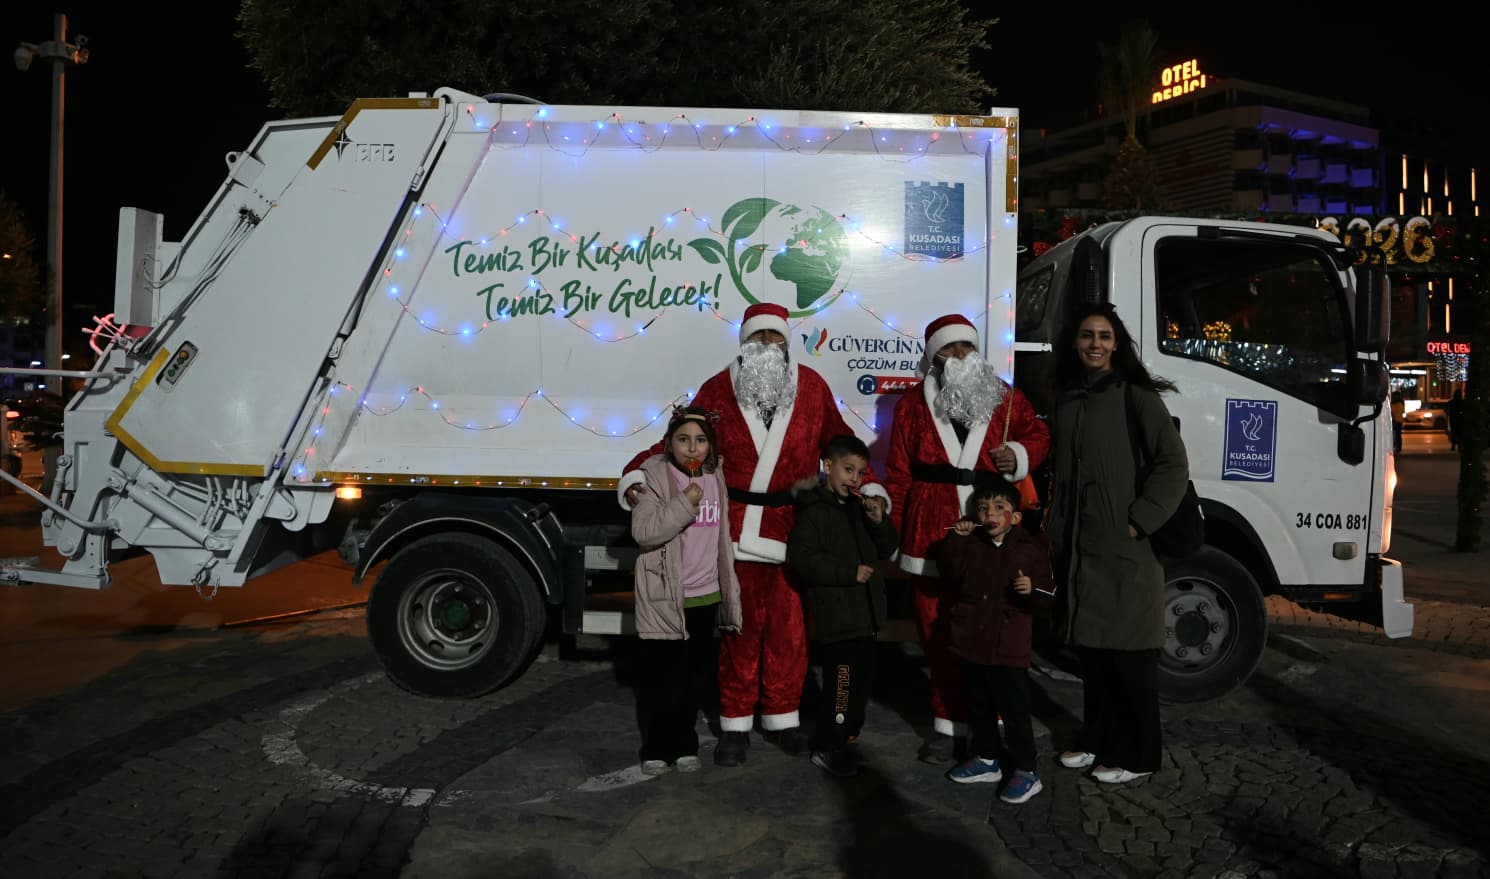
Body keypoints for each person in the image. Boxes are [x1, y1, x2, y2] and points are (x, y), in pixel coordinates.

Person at [618, 302, 890, 767]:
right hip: (736, 530)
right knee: (737, 632)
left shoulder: (812, 388)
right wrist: (636, 476)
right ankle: (735, 724)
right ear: (744, 343)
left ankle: (782, 718)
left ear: (787, 342)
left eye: (774, 336)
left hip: (793, 531)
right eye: (758, 337)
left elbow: (841, 444)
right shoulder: (718, 389)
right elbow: (679, 441)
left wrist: (869, 488)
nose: (767, 344)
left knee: (790, 633)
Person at [884, 313, 1050, 763]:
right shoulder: (912, 405)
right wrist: (895, 530)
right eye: (949, 347)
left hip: (990, 527)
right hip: (931, 531)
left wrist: (1019, 454)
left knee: (991, 630)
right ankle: (948, 723)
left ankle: (991, 724)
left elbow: (1039, 434)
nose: (959, 354)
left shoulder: (1005, 398)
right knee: (937, 632)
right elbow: (898, 472)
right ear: (933, 355)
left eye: (966, 346)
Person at [1045, 302, 1189, 785]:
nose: (1095, 344)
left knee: (1130, 656)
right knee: (1094, 654)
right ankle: (1097, 739)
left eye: (1105, 336)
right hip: (1080, 547)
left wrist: (1139, 520)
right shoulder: (1068, 396)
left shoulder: (1136, 395)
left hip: (1126, 545)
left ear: (1117, 344)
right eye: (1087, 335)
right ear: (1074, 342)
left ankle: (1139, 754)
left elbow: (1173, 463)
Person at [628, 407, 744, 776]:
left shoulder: (715, 475)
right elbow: (644, 532)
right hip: (667, 597)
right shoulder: (654, 475)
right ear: (669, 443)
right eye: (683, 439)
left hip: (705, 596)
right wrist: (684, 503)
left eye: (700, 440)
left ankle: (684, 745)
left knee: (693, 680)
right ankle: (657, 748)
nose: (692, 448)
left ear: (710, 446)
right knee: (664, 679)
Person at [786, 434, 899, 778]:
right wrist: (848, 573)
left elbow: (887, 548)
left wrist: (879, 521)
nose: (854, 479)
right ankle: (828, 744)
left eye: (861, 473)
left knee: (861, 685)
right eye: (848, 470)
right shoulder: (814, 512)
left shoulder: (859, 509)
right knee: (842, 686)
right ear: (828, 466)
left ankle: (848, 736)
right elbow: (803, 559)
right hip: (838, 618)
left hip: (865, 617)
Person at [940, 482, 1057, 804]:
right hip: (973, 641)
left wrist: (1032, 588)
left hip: (1008, 646)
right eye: (983, 509)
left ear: (1015, 517)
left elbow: (1049, 592)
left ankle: (1026, 770)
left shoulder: (1029, 549)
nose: (990, 514)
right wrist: (956, 540)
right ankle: (986, 757)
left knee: (1014, 711)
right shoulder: (971, 544)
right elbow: (950, 573)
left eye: (999, 508)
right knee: (979, 705)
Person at [1390, 391, 1405, 455]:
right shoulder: (1401, 403)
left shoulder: (1395, 403)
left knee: (1396, 435)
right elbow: (1402, 411)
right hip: (1399, 421)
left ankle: (1396, 447)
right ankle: (1398, 448)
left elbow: (1392, 412)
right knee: (1398, 435)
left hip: (1395, 421)